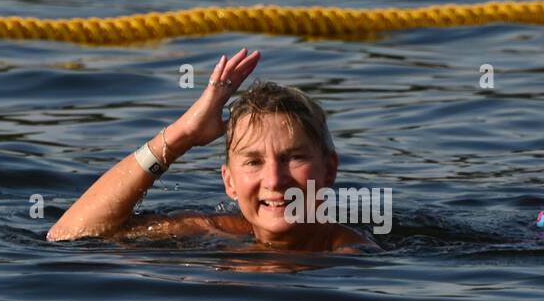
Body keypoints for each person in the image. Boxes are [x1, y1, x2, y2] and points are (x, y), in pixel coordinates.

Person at [47, 49, 375, 252]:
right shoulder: (213, 232)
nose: (274, 180)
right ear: (229, 182)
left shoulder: (346, 253)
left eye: (294, 158)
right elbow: (68, 236)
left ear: (329, 170)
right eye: (254, 162)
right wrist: (182, 135)